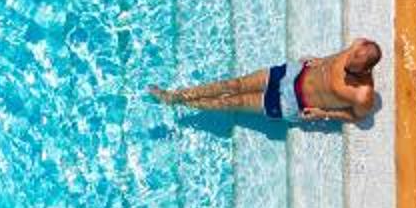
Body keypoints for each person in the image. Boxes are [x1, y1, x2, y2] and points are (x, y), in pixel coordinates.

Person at [156, 37, 382, 124]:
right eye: (350, 59)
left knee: (232, 102)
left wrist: (323, 114)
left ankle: (178, 102)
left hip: (293, 103)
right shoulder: (358, 45)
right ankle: (176, 95)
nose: (346, 66)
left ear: (367, 70)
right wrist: (321, 60)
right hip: (294, 73)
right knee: (233, 85)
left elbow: (356, 116)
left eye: (352, 69)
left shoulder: (363, 95)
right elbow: (338, 57)